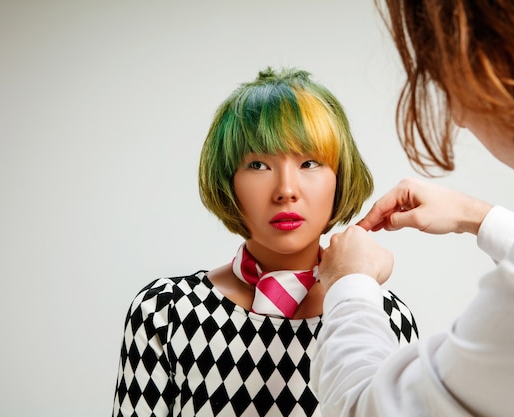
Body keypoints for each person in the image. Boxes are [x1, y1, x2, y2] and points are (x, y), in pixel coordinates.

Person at [310, 0, 514, 416]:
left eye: (452, 82)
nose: (458, 116)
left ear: (509, 63)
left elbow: (367, 408)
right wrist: (476, 216)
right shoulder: (179, 303)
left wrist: (349, 284)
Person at [111, 67, 418, 417]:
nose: (286, 190)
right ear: (227, 181)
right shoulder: (166, 312)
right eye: (257, 164)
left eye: (310, 162)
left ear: (340, 176)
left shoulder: (385, 317)